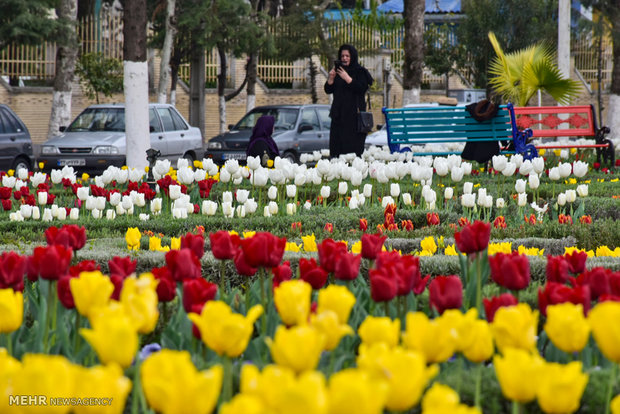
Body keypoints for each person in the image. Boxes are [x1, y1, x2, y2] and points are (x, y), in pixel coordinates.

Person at [324, 44, 374, 158]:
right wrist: (331, 78)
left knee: (352, 153)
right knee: (336, 152)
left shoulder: (360, 71)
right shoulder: (338, 72)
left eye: (347, 56)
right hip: (339, 117)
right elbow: (328, 89)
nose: (344, 58)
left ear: (353, 57)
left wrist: (348, 79)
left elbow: (362, 88)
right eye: (342, 56)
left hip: (354, 119)